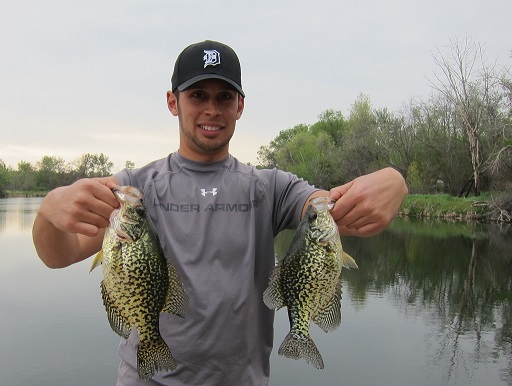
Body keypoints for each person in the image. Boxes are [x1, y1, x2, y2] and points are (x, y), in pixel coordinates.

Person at [32, 40, 407, 385]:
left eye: (224, 97)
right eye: (197, 95)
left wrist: (394, 181)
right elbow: (58, 254)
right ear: (172, 102)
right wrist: (49, 211)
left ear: (240, 106)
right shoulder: (133, 191)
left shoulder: (271, 187)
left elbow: (327, 213)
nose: (212, 109)